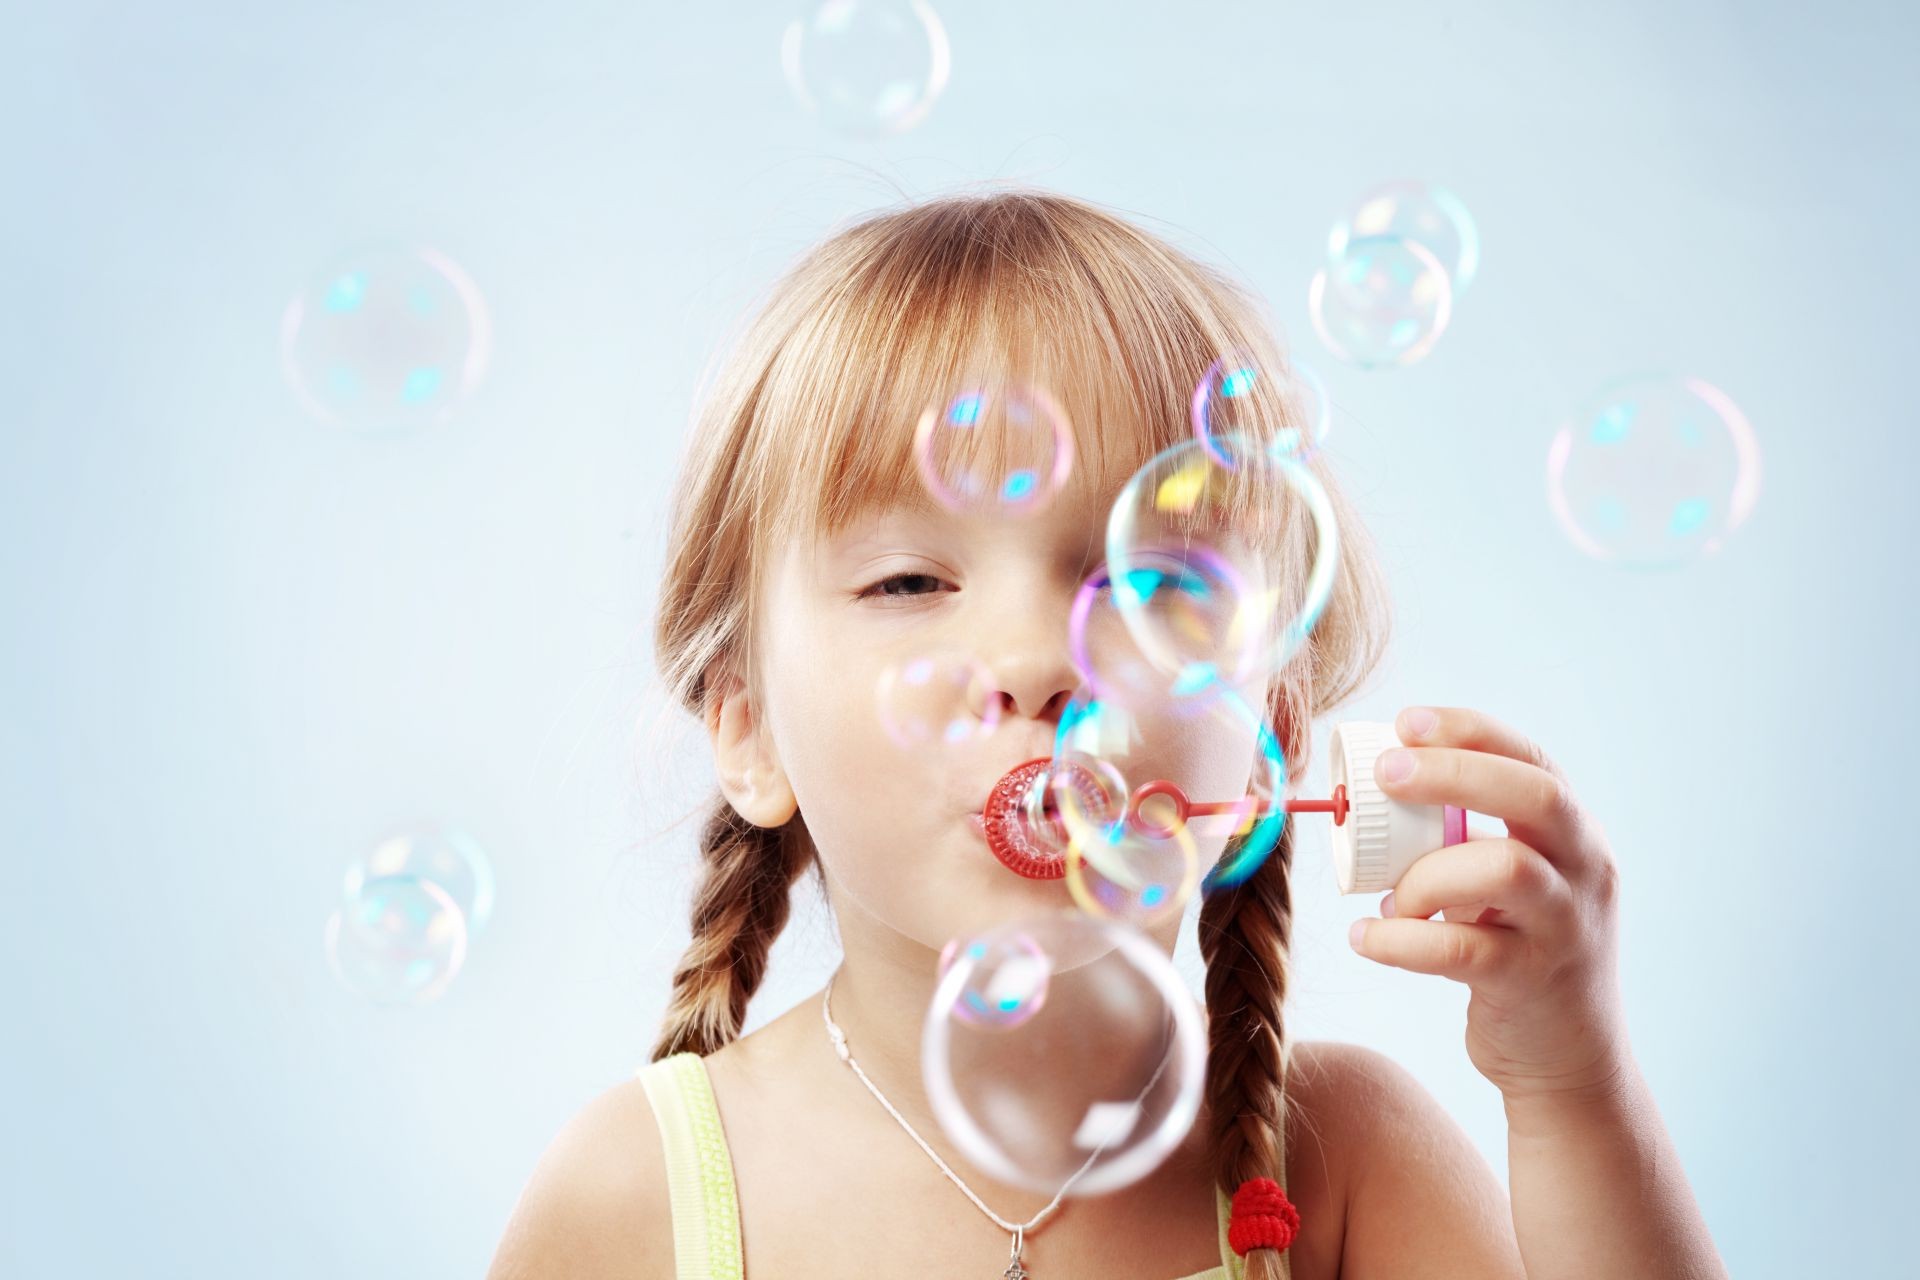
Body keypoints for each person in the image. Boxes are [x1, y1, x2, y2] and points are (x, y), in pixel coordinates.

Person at [487, 189, 1727, 1280]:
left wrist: (1570, 1090)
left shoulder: (1344, 1167)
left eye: (1140, 587)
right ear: (746, 731)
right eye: (909, 583)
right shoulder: (632, 1194)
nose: (1034, 661)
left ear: (1268, 731)